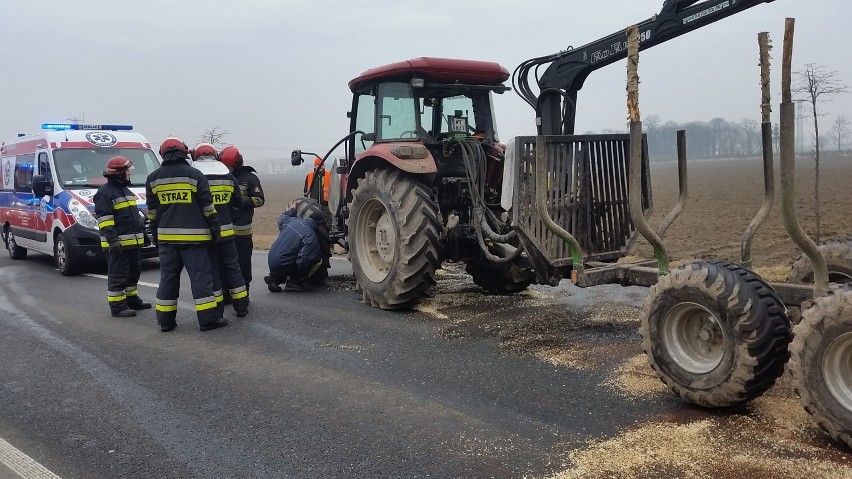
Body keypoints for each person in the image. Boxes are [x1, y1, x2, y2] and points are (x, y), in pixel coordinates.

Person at [146, 137, 226, 332]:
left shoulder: (153, 178)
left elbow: (152, 214)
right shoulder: (195, 175)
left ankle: (165, 321)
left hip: (166, 241)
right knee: (201, 280)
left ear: (162, 154)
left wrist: (156, 236)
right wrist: (215, 231)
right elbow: (208, 209)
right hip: (195, 241)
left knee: (168, 280)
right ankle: (208, 319)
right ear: (184, 152)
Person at [191, 143, 249, 318]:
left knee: (213, 270)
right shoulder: (228, 176)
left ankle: (218, 308)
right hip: (228, 232)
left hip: (209, 234)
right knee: (233, 267)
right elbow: (238, 204)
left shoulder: (196, 176)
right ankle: (242, 306)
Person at [93, 156, 151, 317]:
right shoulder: (104, 193)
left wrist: (144, 234)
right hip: (118, 244)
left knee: (133, 272)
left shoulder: (126, 191)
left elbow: (134, 218)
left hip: (132, 243)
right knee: (118, 275)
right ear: (118, 173)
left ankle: (132, 300)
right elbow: (105, 221)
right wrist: (113, 241)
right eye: (127, 171)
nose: (130, 174)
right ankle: (117, 306)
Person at [219, 145, 264, 296]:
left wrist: (241, 201)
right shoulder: (222, 177)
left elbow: (259, 200)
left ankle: (244, 293)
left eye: (228, 165)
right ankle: (226, 293)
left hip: (242, 232)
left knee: (243, 263)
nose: (226, 168)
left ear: (236, 164)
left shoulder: (249, 178)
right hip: (224, 231)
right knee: (224, 264)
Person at [264, 202, 325, 293]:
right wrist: (302, 276)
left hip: (271, 260)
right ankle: (294, 283)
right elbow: (304, 261)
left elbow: (281, 218)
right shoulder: (310, 237)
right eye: (323, 226)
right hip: (283, 264)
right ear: (320, 225)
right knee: (317, 261)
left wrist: (292, 209)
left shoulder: (293, 221)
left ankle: (274, 279)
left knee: (287, 256)